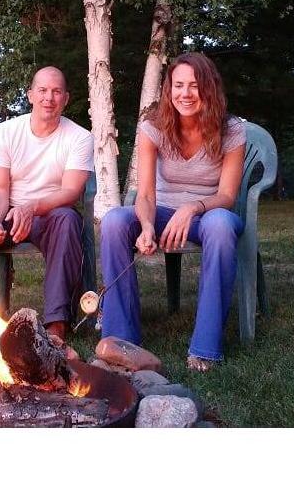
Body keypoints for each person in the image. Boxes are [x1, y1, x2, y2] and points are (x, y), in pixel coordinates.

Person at [99, 52, 246, 372]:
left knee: (221, 226)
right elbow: (147, 193)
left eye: (194, 85)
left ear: (209, 88)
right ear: (169, 89)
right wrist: (148, 225)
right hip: (162, 210)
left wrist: (192, 208)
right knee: (114, 221)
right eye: (178, 85)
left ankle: (205, 349)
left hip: (209, 213)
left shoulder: (232, 129)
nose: (186, 93)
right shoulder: (153, 127)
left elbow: (227, 196)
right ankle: (121, 339)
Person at [0, 66, 94, 344]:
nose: (49, 97)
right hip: (7, 208)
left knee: (69, 220)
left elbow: (71, 192)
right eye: (43, 90)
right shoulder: (5, 132)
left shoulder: (80, 137)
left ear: (66, 99)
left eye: (56, 91)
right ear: (30, 95)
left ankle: (56, 325)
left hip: (51, 212)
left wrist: (32, 207)